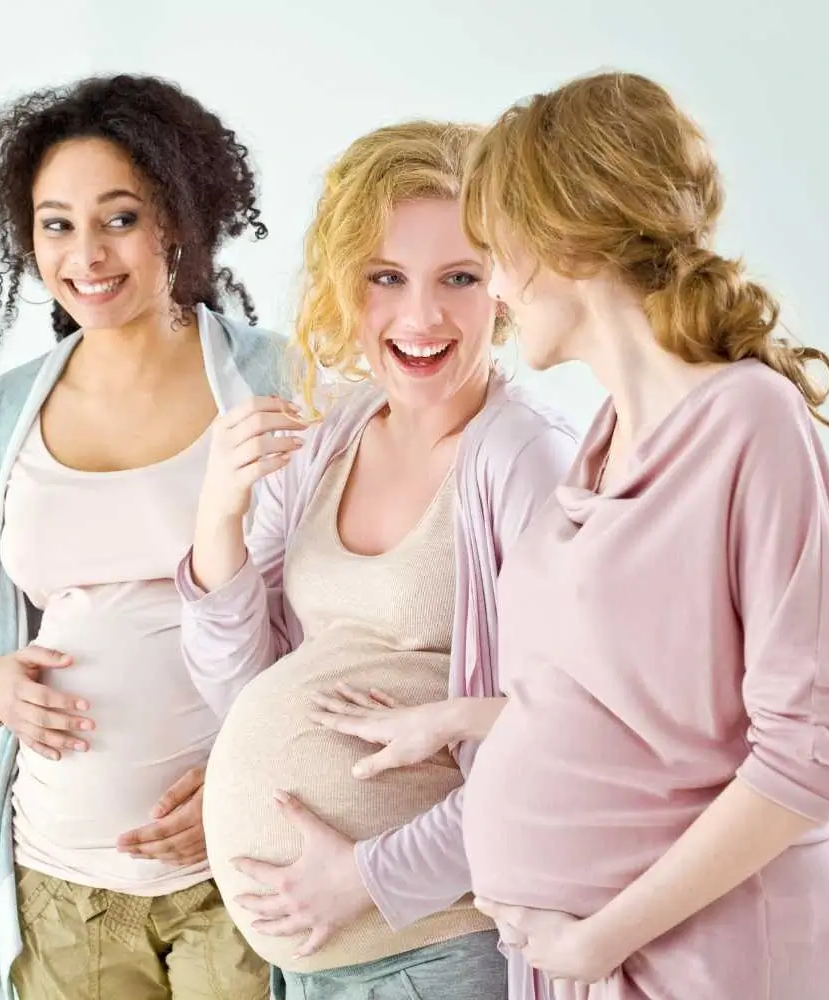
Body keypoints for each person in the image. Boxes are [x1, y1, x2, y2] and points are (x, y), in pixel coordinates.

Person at [311, 72, 829, 1000]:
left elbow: (812, 752)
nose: (489, 282)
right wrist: (461, 719)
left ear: (564, 241)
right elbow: (650, 716)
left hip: (720, 963)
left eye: (492, 249)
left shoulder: (748, 422)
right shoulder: (608, 439)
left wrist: (600, 937)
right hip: (599, 965)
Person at [177, 120, 580, 1000]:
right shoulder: (335, 432)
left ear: (505, 288)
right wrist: (219, 514)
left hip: (438, 947)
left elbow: (570, 739)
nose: (422, 316)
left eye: (460, 279)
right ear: (343, 287)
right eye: (386, 278)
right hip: (315, 962)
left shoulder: (524, 459)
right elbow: (238, 689)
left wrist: (371, 875)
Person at [0, 74, 282, 1000]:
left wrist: (244, 777)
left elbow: (330, 625)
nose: (86, 253)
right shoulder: (6, 412)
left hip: (234, 869)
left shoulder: (270, 381)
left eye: (119, 217)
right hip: (58, 883)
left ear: (174, 218)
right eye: (57, 224)